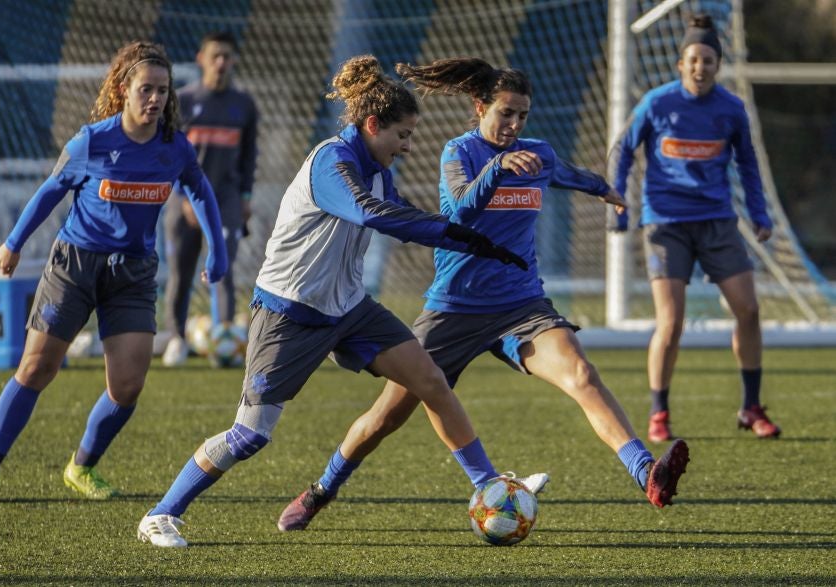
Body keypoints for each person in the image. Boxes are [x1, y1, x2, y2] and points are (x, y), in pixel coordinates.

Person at [275, 57, 691, 533]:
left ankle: (646, 473)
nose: (514, 124)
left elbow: (574, 176)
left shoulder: (538, 155)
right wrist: (495, 169)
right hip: (453, 308)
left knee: (581, 372)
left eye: (522, 115)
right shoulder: (459, 152)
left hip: (521, 305)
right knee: (384, 419)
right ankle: (320, 491)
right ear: (480, 108)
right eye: (505, 113)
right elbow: (460, 213)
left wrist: (609, 192)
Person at [137, 55, 531, 548]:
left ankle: (489, 488)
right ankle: (161, 513)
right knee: (250, 435)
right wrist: (454, 234)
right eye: (403, 136)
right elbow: (372, 215)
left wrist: (468, 240)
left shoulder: (379, 170)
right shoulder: (332, 161)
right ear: (372, 125)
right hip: (289, 314)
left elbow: (403, 213)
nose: (408, 147)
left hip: (349, 310)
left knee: (431, 379)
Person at [0, 41, 229, 500]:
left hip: (133, 274)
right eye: (146, 90)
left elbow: (200, 190)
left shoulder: (174, 146)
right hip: (74, 265)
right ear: (123, 89)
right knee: (36, 368)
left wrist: (217, 250)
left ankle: (82, 467)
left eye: (162, 90)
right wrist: (13, 243)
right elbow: (49, 191)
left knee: (128, 385)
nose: (155, 99)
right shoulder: (92, 140)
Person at [609, 15, 780, 442]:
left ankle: (751, 406)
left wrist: (759, 213)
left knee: (750, 311)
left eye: (708, 60)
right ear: (680, 64)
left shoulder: (731, 109)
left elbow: (748, 164)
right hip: (666, 224)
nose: (700, 67)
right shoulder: (656, 103)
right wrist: (618, 203)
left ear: (718, 65)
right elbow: (621, 151)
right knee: (671, 322)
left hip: (718, 222)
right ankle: (659, 411)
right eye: (693, 60)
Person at [162, 30, 259, 367]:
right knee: (181, 271)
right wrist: (181, 196)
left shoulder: (244, 105)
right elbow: (168, 155)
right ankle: (175, 337)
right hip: (183, 200)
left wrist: (246, 195)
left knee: (224, 269)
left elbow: (249, 156)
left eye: (227, 56)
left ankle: (224, 340)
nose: (222, 62)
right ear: (201, 58)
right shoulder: (183, 101)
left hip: (228, 200)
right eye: (215, 55)